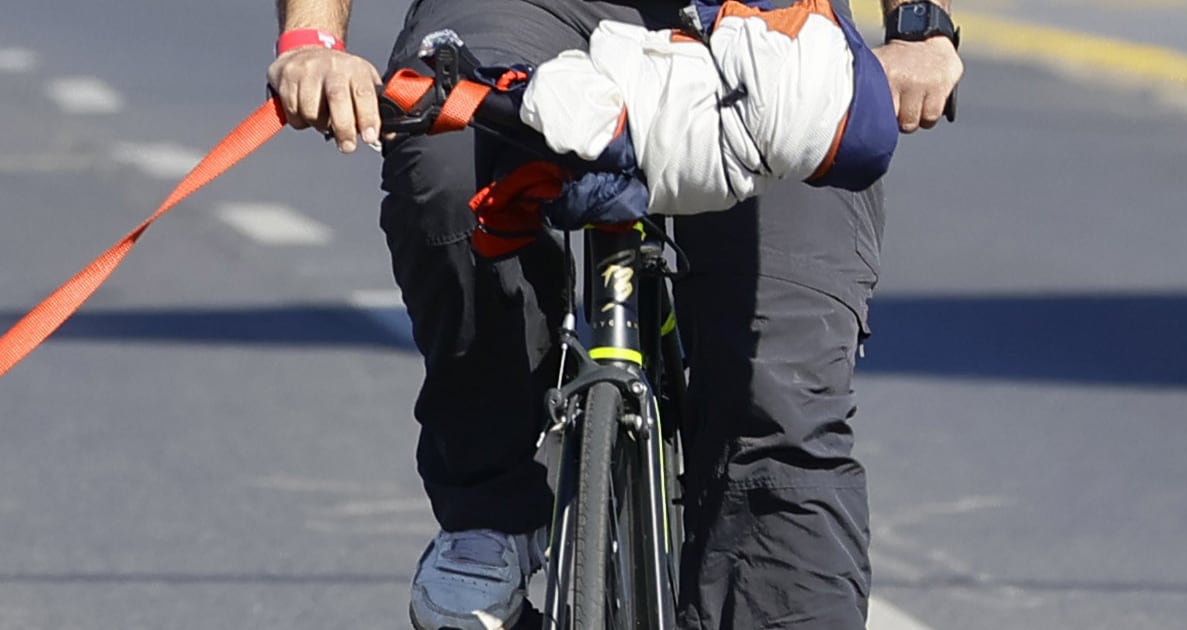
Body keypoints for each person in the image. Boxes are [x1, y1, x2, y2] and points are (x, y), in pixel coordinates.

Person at [267, 0, 963, 628]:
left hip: (766, 23)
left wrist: (920, 28)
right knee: (448, 179)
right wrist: (313, 37)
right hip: (521, 10)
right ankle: (488, 507)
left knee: (783, 397)